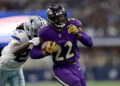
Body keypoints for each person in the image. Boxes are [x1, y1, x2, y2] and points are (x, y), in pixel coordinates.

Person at [30, 4, 93, 86]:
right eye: (57, 18)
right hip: (60, 68)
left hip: (75, 65)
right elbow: (33, 53)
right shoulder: (45, 32)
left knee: (81, 84)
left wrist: (78, 33)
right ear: (51, 19)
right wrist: (46, 53)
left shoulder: (72, 25)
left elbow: (89, 43)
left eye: (62, 16)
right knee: (75, 83)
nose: (61, 19)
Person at [0, 16, 47, 86]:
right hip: (3, 67)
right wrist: (29, 42)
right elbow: (15, 50)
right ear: (30, 29)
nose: (39, 33)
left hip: (17, 69)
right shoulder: (21, 34)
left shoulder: (37, 38)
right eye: (37, 30)